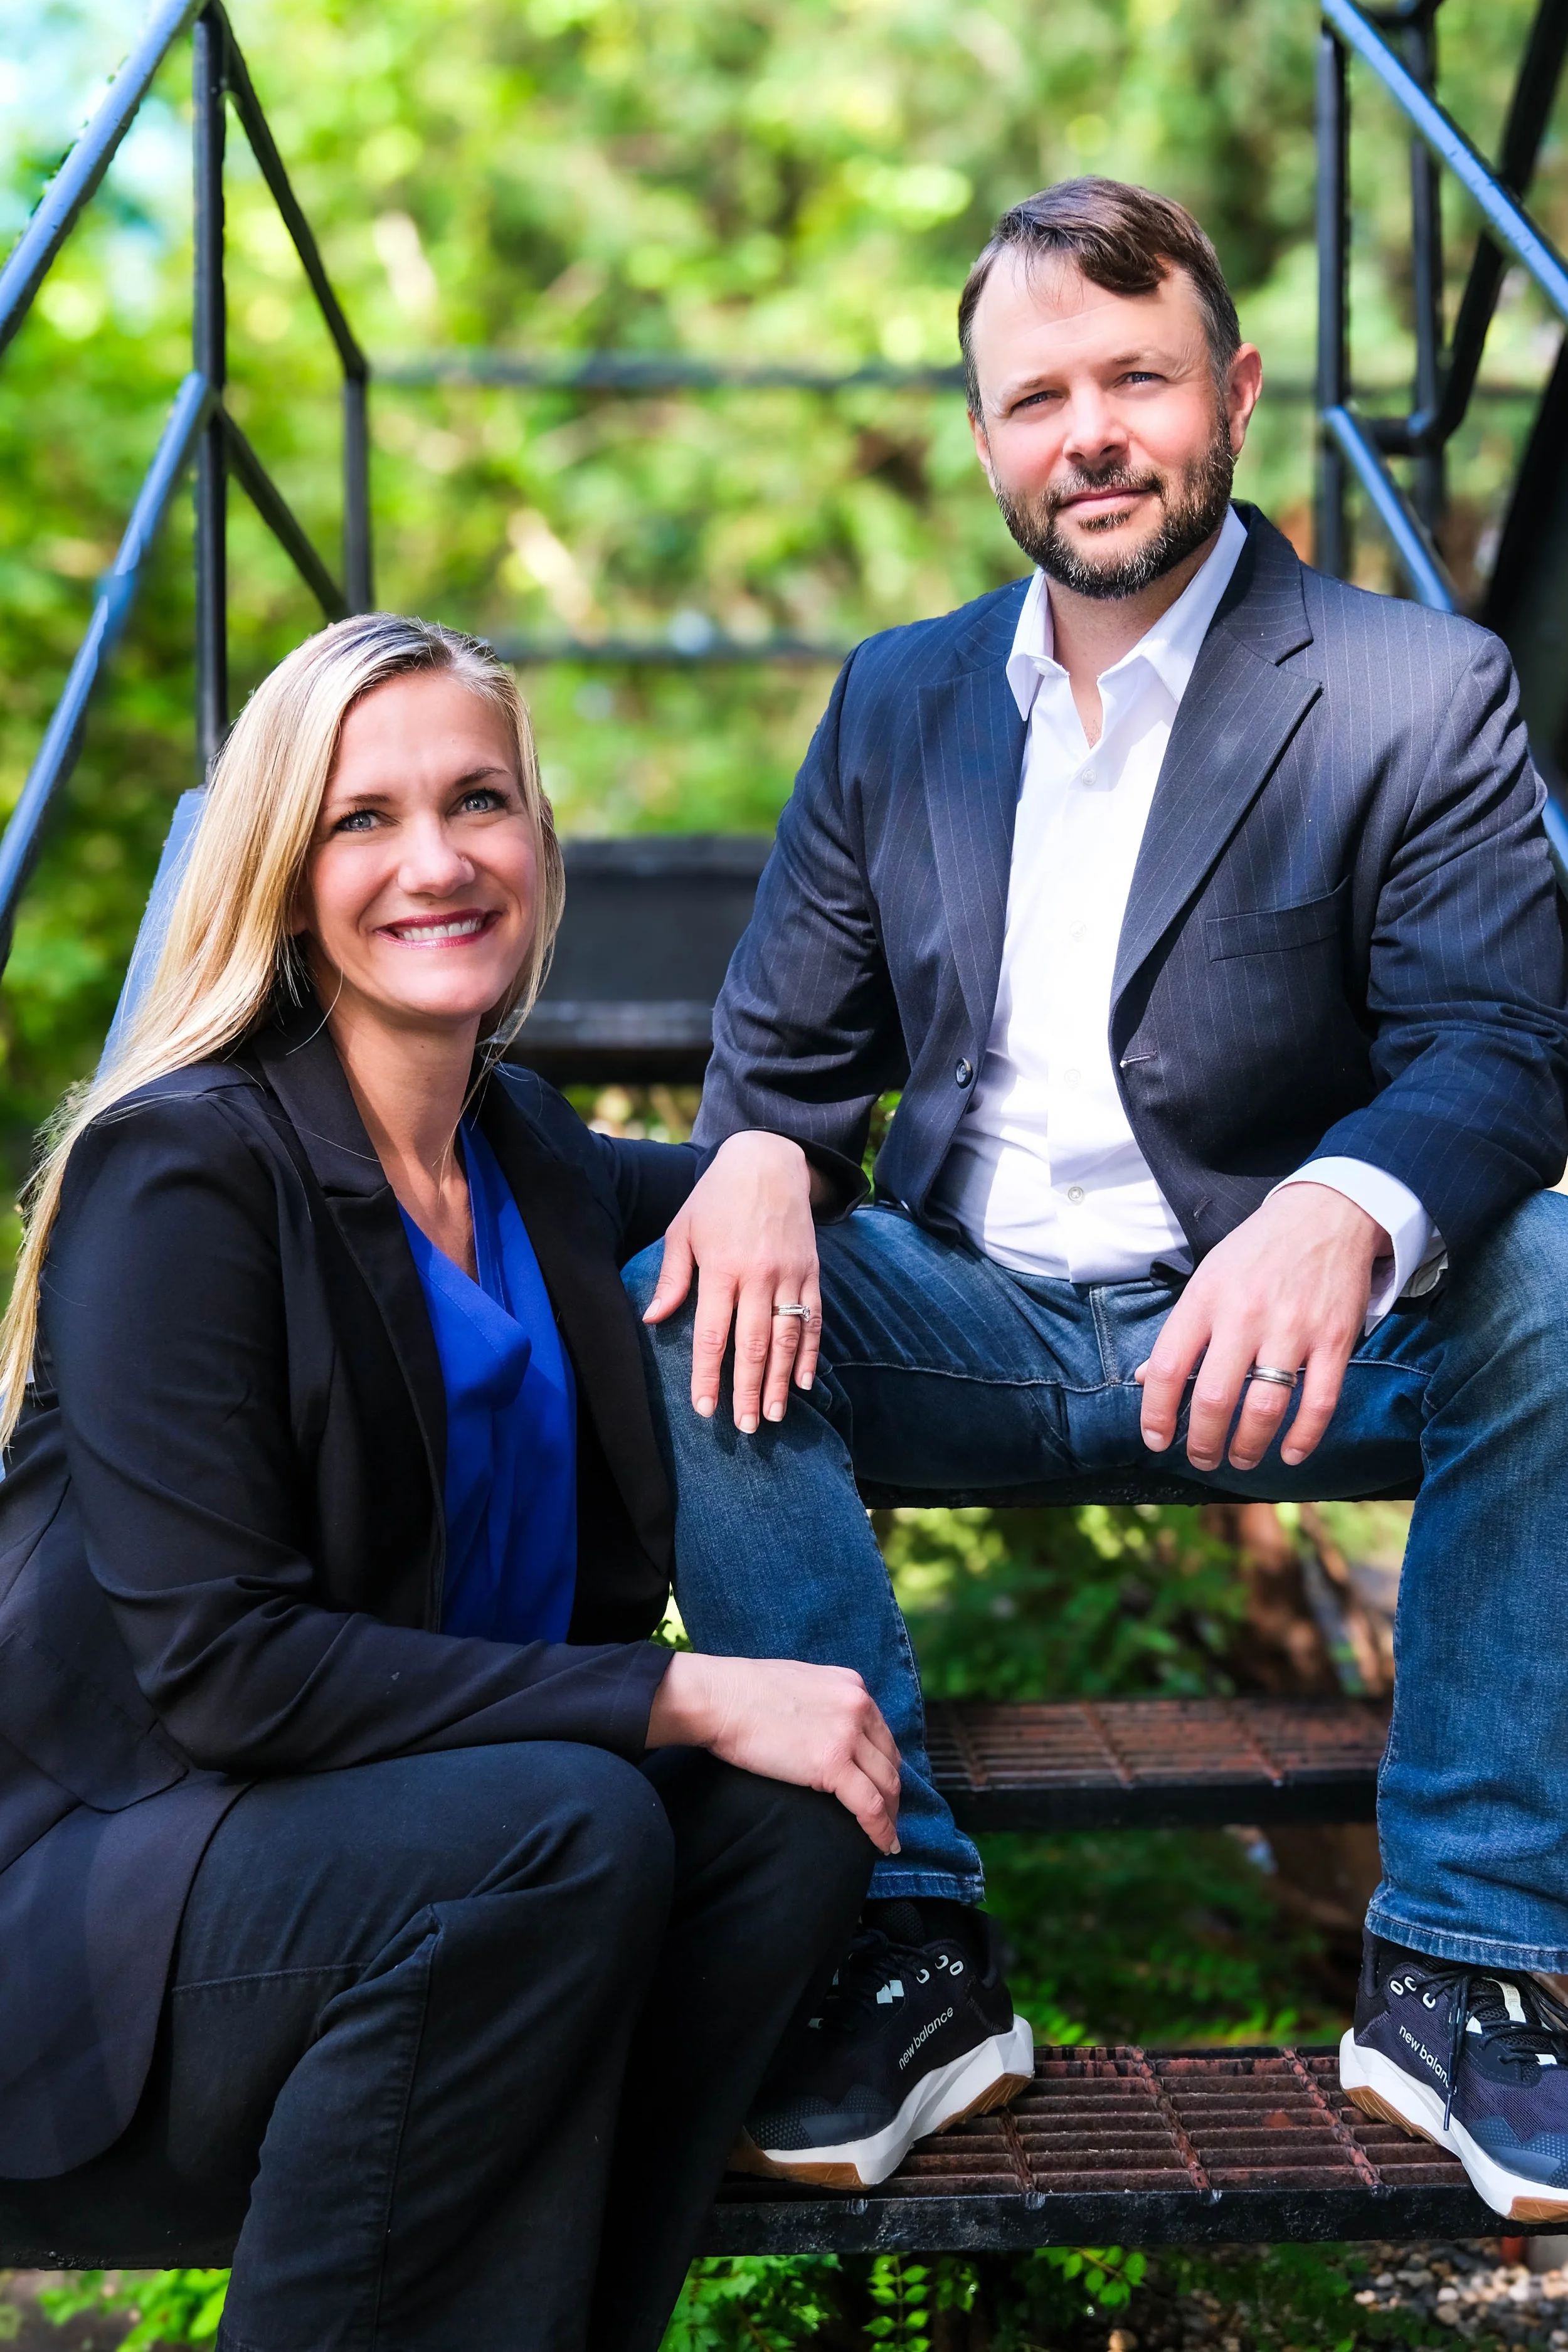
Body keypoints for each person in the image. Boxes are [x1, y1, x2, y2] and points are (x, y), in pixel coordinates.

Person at [628, 175, 1568, 2221]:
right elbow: (776, 1054)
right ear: (983, 438)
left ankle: (1465, 1962)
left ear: (1228, 391)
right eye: (1033, 394)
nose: (1089, 432)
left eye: (1132, 376)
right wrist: (765, 1159)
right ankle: (897, 1939)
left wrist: (1345, 1197)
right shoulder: (894, 700)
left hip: (1290, 1332)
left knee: (1563, 1276)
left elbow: (1504, 1045)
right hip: (966, 1308)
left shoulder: (1415, 688)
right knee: (676, 1274)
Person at [0, 613, 907, 2351]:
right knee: (563, 1822)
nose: (436, 860)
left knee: (793, 1815)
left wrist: (770, 1156)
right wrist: (684, 1684)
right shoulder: (180, 1173)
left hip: (416, 1894)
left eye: (478, 800)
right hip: (113, 1932)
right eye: (365, 818)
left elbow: (751, 1190)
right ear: (283, 867)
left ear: (536, 840)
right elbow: (228, 1667)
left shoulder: (526, 1151)